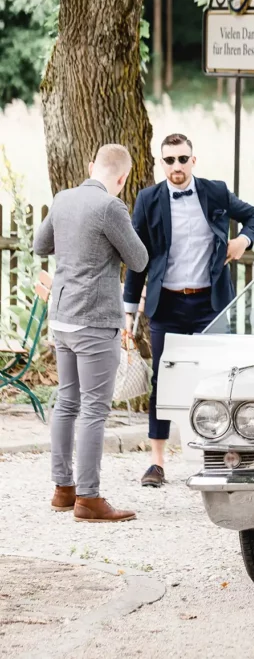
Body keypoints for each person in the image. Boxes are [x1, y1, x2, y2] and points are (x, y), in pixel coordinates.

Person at [123, 133, 254, 488]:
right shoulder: (148, 199)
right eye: (169, 161)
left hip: (209, 305)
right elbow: (138, 260)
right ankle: (156, 463)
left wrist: (242, 240)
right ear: (161, 163)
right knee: (162, 381)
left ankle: (221, 458)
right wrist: (129, 311)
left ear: (193, 161)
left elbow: (253, 216)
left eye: (182, 159)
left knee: (220, 382)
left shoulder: (214, 192)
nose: (176, 167)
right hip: (166, 305)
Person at [33, 144, 149, 522]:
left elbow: (39, 246)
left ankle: (62, 488)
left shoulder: (63, 198)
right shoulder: (110, 207)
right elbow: (139, 259)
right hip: (95, 320)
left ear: (90, 167)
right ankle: (89, 497)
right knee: (95, 410)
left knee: (67, 402)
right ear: (122, 177)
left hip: (63, 316)